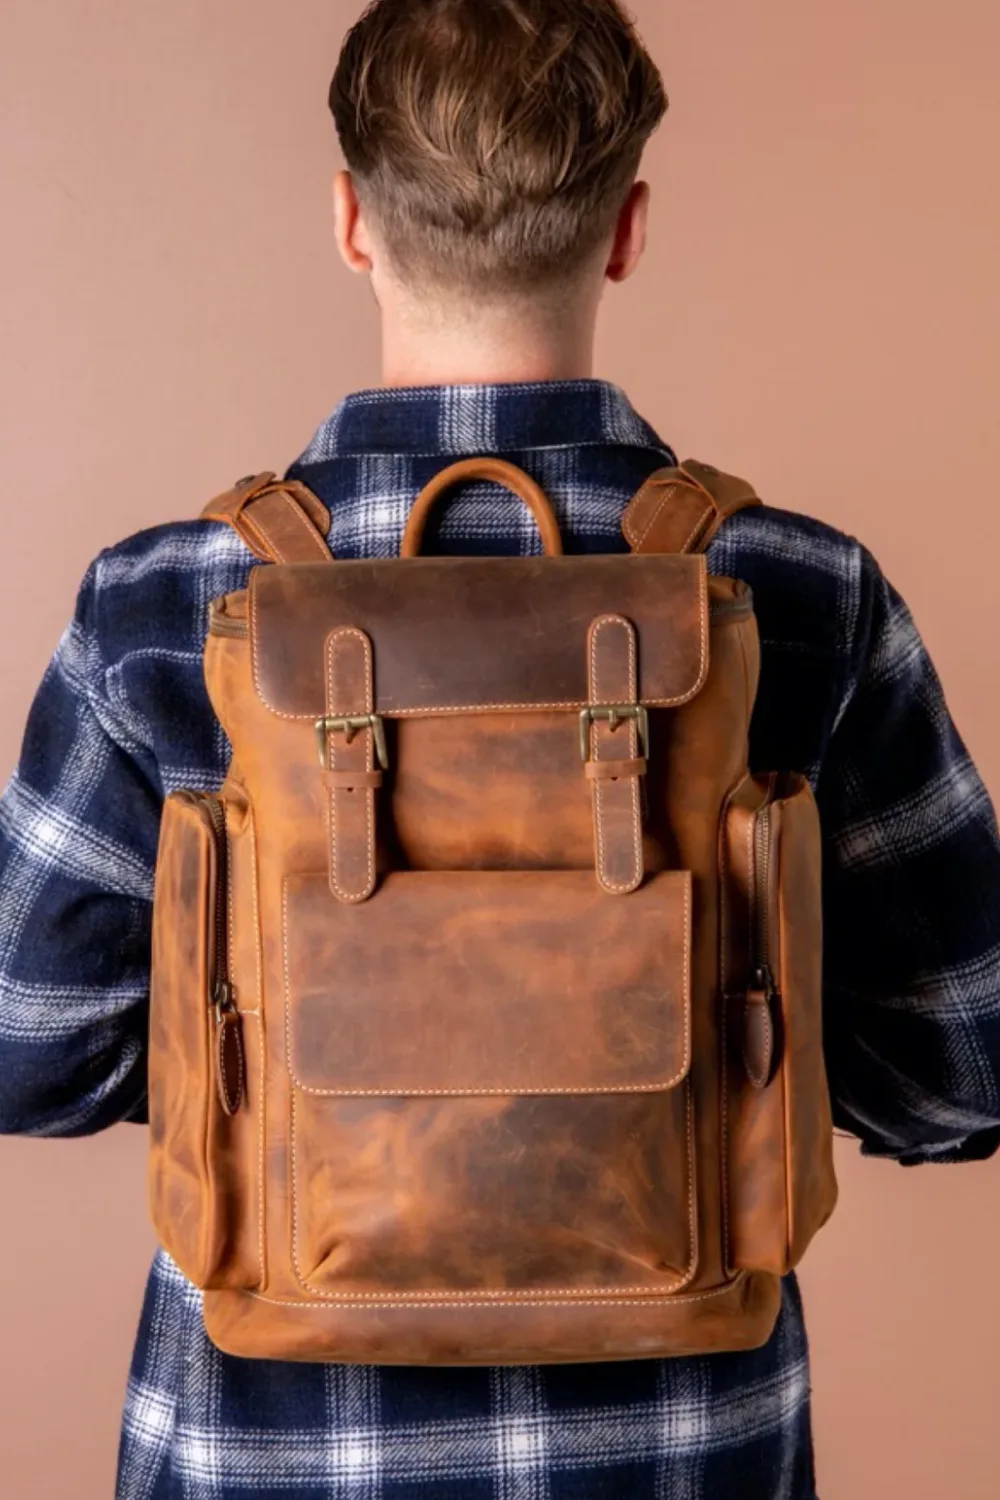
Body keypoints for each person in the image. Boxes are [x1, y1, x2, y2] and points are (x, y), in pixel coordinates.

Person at [1, 1, 998, 1496]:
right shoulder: (801, 592)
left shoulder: (166, 603)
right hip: (682, 1447)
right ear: (627, 228)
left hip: (261, 1447)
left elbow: (25, 1054)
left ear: (350, 219)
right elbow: (962, 1078)